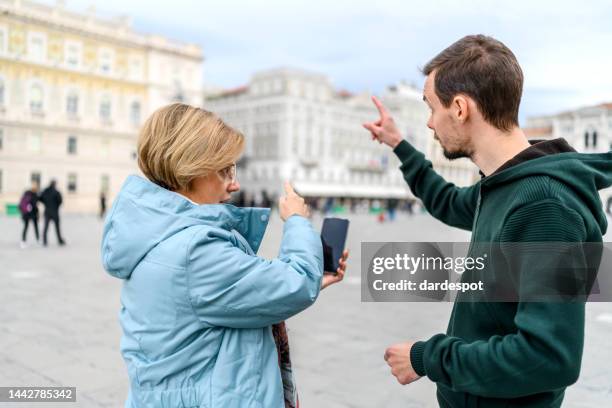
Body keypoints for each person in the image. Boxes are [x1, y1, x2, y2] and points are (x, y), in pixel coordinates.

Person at [363, 34, 611, 408]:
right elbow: (446, 201)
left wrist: (427, 357)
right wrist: (400, 145)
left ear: (460, 108)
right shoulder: (500, 186)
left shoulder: (543, 205)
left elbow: (548, 358)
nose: (430, 123)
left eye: (431, 107)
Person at [101, 103, 349, 408]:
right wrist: (296, 221)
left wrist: (313, 276)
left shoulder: (159, 232)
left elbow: (240, 293)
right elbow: (294, 284)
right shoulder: (194, 249)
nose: (235, 183)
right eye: (224, 170)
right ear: (188, 169)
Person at [39, 180, 65, 246]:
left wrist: (46, 204)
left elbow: (40, 198)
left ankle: (45, 241)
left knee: (46, 227)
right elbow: (60, 201)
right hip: (54, 211)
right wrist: (56, 206)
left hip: (47, 211)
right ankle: (59, 240)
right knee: (57, 227)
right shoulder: (56, 192)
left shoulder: (45, 191)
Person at [19, 181, 40, 248]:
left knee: (34, 227)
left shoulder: (35, 194)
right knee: (26, 227)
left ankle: (37, 240)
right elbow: (32, 204)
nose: (35, 187)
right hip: (28, 214)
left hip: (31, 214)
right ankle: (23, 241)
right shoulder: (29, 193)